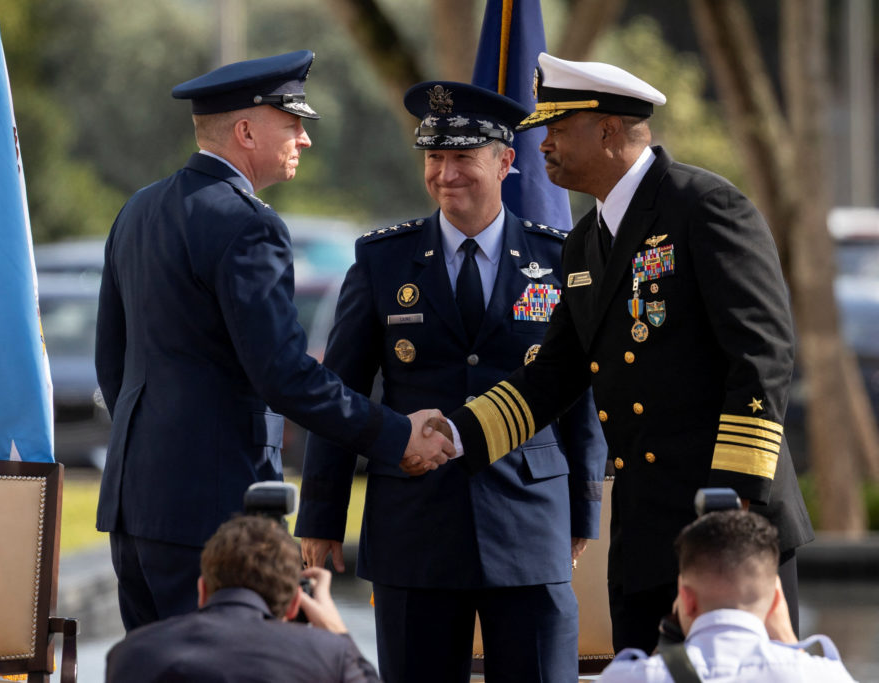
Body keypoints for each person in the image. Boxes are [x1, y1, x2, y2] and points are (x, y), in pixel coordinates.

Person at [433, 52, 814, 654]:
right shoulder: (585, 240)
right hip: (644, 534)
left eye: (558, 130)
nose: (544, 146)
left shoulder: (704, 206)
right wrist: (453, 436)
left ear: (608, 129)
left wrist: (730, 504)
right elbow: (555, 371)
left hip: (726, 525)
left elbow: (762, 358)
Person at [95, 50, 453, 631]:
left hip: (135, 506)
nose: (304, 140)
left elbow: (113, 362)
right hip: (215, 518)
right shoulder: (248, 224)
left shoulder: (137, 209)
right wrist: (395, 433)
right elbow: (283, 373)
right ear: (245, 130)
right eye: (292, 124)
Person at [295, 81, 607, 683]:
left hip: (529, 520)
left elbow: (580, 396)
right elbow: (342, 393)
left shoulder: (560, 257)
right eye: (435, 159)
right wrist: (322, 514)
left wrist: (583, 512)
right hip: (416, 527)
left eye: (462, 157)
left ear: (505, 161)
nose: (446, 174)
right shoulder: (382, 260)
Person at [104, 515, 381, 683]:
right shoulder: (328, 657)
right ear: (296, 603)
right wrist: (337, 631)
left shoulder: (130, 655)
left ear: (202, 591)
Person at [597, 509, 857, 682]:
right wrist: (790, 643)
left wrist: (664, 648)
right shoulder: (822, 676)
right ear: (777, 601)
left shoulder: (628, 677)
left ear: (685, 599)